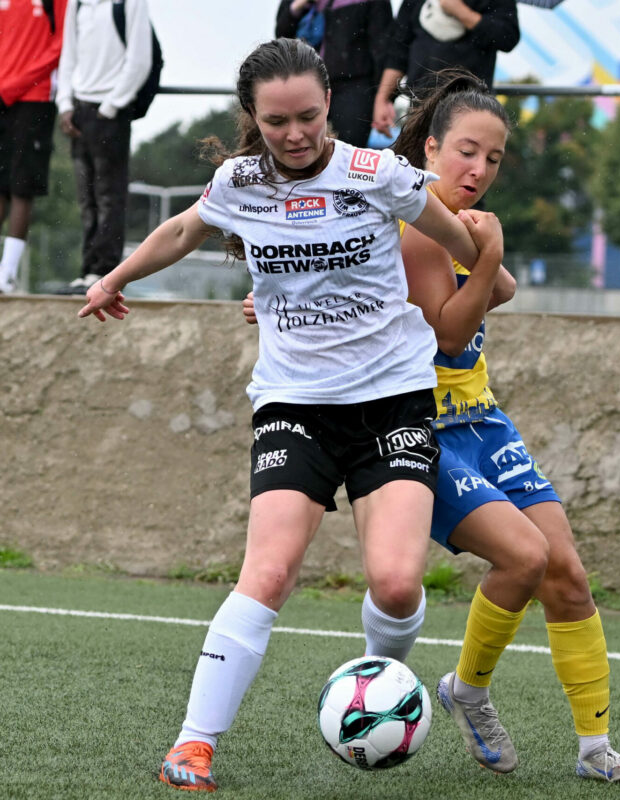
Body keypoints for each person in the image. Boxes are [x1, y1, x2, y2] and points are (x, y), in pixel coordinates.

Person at [78, 38, 502, 793]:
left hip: (392, 402)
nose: (297, 133)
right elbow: (181, 230)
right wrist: (114, 278)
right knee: (269, 571)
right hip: (294, 404)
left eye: (309, 116)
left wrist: (490, 261)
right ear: (253, 117)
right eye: (277, 122)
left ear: (328, 103)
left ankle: (376, 694)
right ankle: (194, 744)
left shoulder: (378, 175)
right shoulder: (238, 182)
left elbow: (466, 247)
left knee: (397, 585)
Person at [245, 69, 620, 785]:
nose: (480, 169)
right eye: (467, 152)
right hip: (418, 427)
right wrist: (489, 255)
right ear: (430, 149)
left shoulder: (455, 222)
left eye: (494, 158)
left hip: (485, 419)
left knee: (567, 574)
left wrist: (486, 258)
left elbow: (503, 289)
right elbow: (447, 333)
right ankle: (466, 690)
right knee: (524, 559)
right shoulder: (409, 224)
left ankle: (595, 749)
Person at [56, 0, 153, 294]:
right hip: (80, 108)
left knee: (109, 195)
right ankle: (87, 270)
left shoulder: (130, 3)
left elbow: (140, 59)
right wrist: (65, 103)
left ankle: (104, 271)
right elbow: (68, 55)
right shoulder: (78, 4)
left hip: (110, 111)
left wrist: (111, 106)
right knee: (87, 198)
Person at [371, 0, 519, 137]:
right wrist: (383, 99)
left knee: (463, 153)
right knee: (419, 154)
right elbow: (398, 51)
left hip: (470, 103)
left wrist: (461, 12)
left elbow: (507, 37)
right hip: (421, 102)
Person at [0, 0, 68, 294]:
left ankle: (7, 274)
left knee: (22, 186)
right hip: (2, 96)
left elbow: (61, 44)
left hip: (35, 97)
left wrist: (15, 84)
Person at [275, 0, 393, 147]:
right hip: (306, 86)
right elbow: (281, 36)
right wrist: (297, 7)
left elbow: (383, 50)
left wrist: (384, 99)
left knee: (348, 148)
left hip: (354, 88)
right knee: (300, 145)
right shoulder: (296, 4)